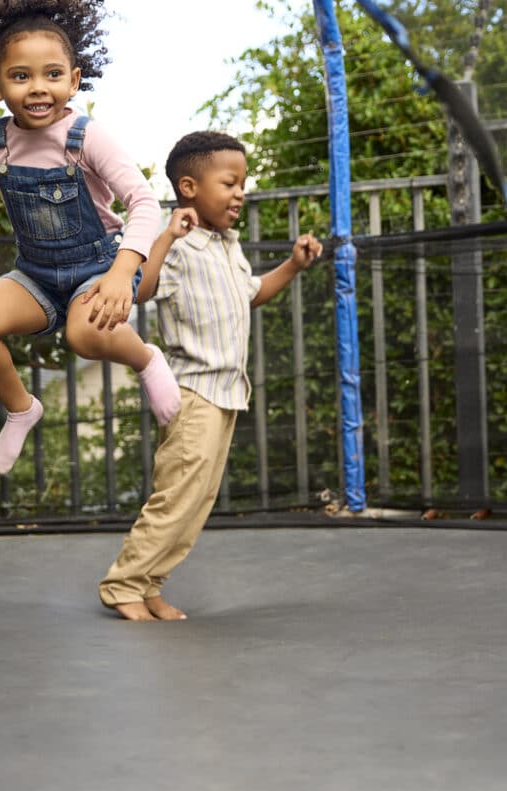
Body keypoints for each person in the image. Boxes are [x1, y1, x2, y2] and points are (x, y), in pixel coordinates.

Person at [0, 0, 180, 475]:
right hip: (36, 274)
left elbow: (144, 203)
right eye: (21, 77)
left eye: (52, 74)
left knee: (83, 334)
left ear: (74, 80)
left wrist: (123, 273)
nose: (38, 88)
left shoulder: (86, 137)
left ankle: (146, 360)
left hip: (100, 268)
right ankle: (21, 408)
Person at [98, 131, 323, 621]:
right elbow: (142, 290)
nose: (240, 192)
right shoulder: (177, 244)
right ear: (189, 186)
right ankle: (123, 584)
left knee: (197, 501)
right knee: (176, 494)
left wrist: (293, 264)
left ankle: (151, 583)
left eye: (243, 182)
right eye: (230, 182)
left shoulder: (226, 246)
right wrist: (164, 237)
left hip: (226, 393)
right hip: (192, 392)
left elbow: (252, 292)